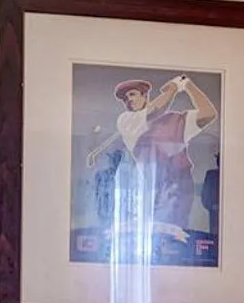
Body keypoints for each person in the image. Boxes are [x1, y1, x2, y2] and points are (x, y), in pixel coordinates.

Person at [86, 75, 218, 244]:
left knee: (175, 238)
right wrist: (173, 87)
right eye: (125, 98)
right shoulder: (126, 120)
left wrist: (188, 85)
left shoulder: (175, 120)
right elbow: (156, 110)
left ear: (145, 95)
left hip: (180, 185)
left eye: (132, 94)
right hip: (154, 184)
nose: (128, 100)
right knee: (156, 237)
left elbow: (209, 113)